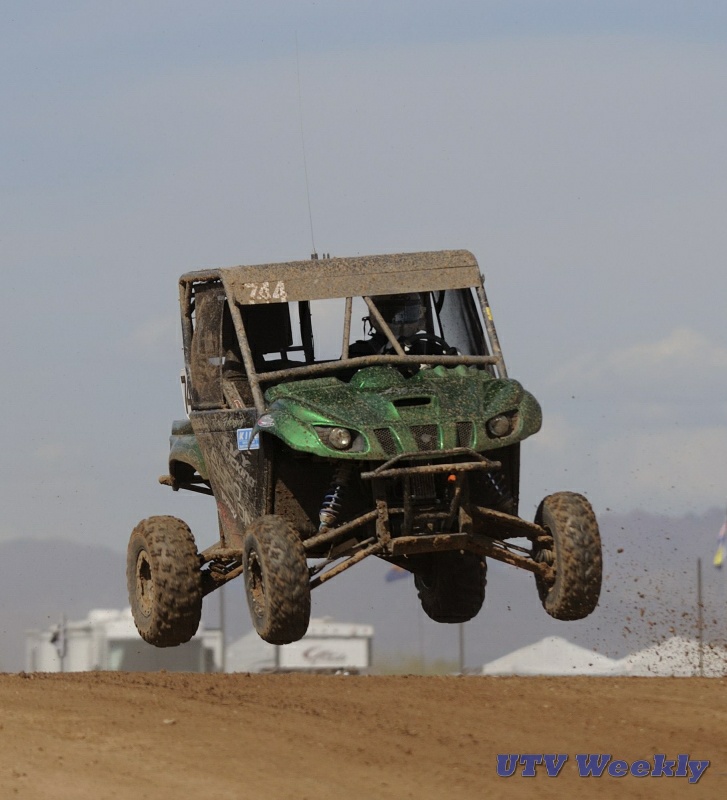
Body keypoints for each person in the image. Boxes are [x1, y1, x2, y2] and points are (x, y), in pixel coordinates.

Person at [349, 293, 455, 357]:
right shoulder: (357, 354)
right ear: (374, 314)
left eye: (410, 313)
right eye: (392, 313)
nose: (402, 323)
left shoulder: (431, 350)